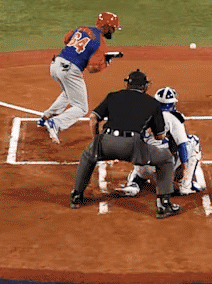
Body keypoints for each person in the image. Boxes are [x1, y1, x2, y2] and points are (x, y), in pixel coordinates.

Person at [70, 69, 183, 218]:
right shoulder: (152, 103)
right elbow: (160, 136)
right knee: (166, 158)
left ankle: (77, 196)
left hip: (106, 141)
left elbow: (93, 118)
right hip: (133, 146)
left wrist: (97, 141)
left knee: (88, 155)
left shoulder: (113, 96)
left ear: (127, 84)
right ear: (144, 86)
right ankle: (163, 205)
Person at [36, 12, 123, 142]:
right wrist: (106, 62)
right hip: (70, 71)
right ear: (106, 27)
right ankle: (56, 123)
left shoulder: (82, 28)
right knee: (82, 108)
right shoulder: (101, 43)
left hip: (56, 64)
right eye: (112, 28)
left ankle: (45, 118)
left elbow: (66, 39)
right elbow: (92, 68)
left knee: (68, 94)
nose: (113, 31)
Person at [116, 84, 205, 198]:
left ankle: (134, 184)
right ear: (172, 103)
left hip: (142, 166)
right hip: (162, 167)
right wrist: (183, 169)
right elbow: (182, 146)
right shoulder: (173, 118)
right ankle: (186, 187)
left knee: (143, 150)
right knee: (193, 141)